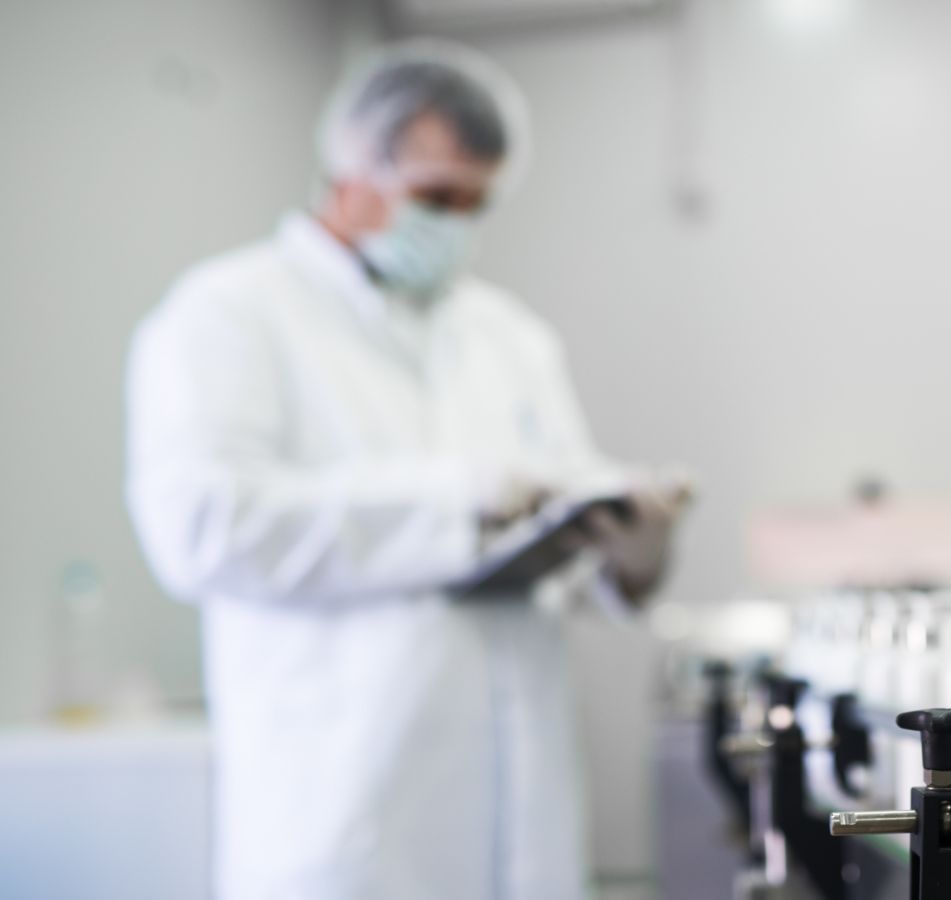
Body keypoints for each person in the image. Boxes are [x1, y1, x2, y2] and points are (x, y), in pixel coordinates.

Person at [125, 41, 681, 900]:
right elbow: (200, 528)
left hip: (521, 823)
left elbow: (557, 544)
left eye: (476, 201)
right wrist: (454, 501)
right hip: (346, 820)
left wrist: (627, 557)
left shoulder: (507, 334)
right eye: (435, 197)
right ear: (351, 173)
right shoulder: (229, 314)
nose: (455, 223)